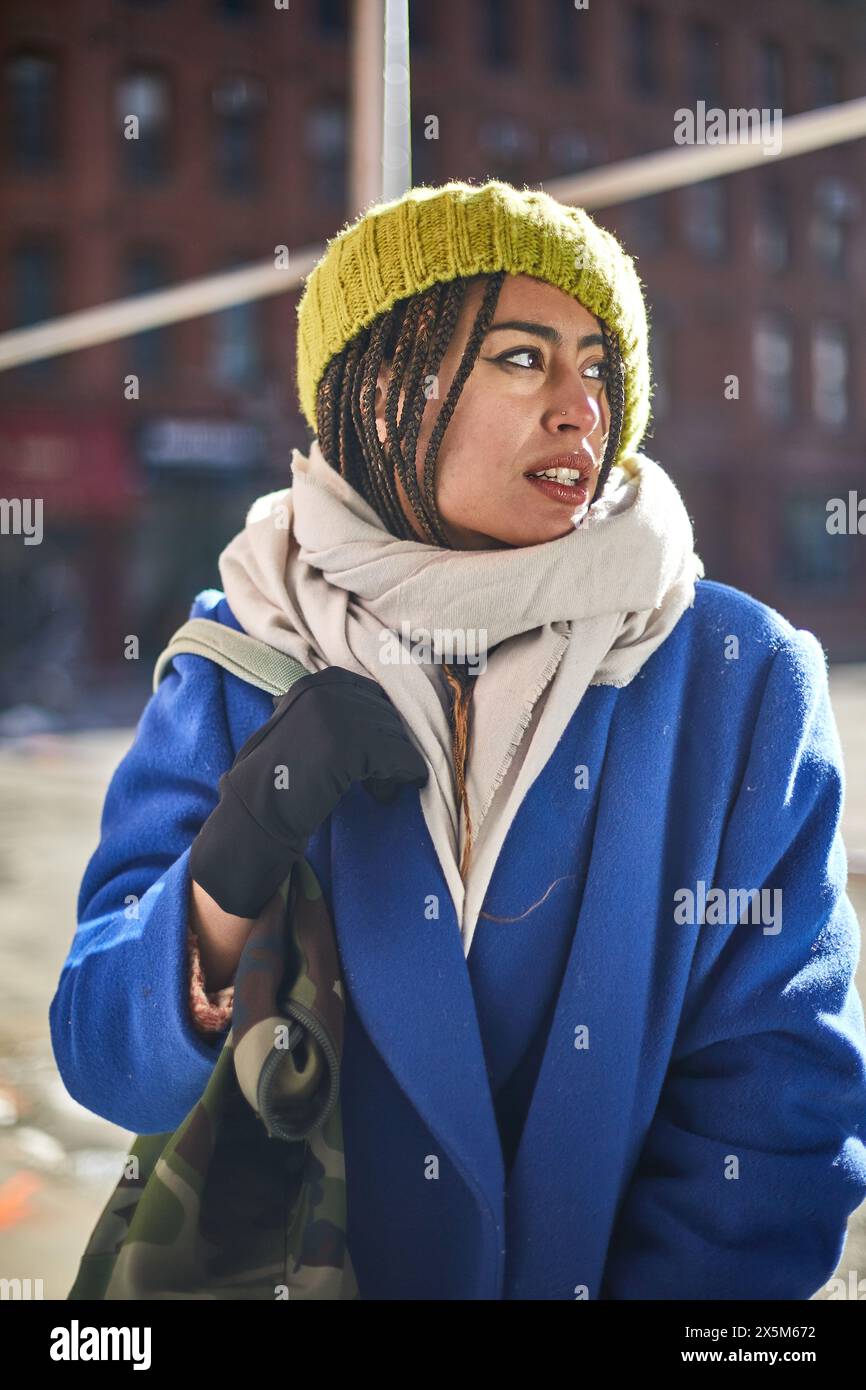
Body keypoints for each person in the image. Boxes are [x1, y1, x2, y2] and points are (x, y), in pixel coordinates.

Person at [50, 179, 866, 1300]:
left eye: (600, 365)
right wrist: (232, 861)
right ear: (378, 391)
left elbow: (780, 1109)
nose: (580, 407)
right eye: (524, 358)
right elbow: (106, 1061)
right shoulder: (243, 656)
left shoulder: (735, 677)